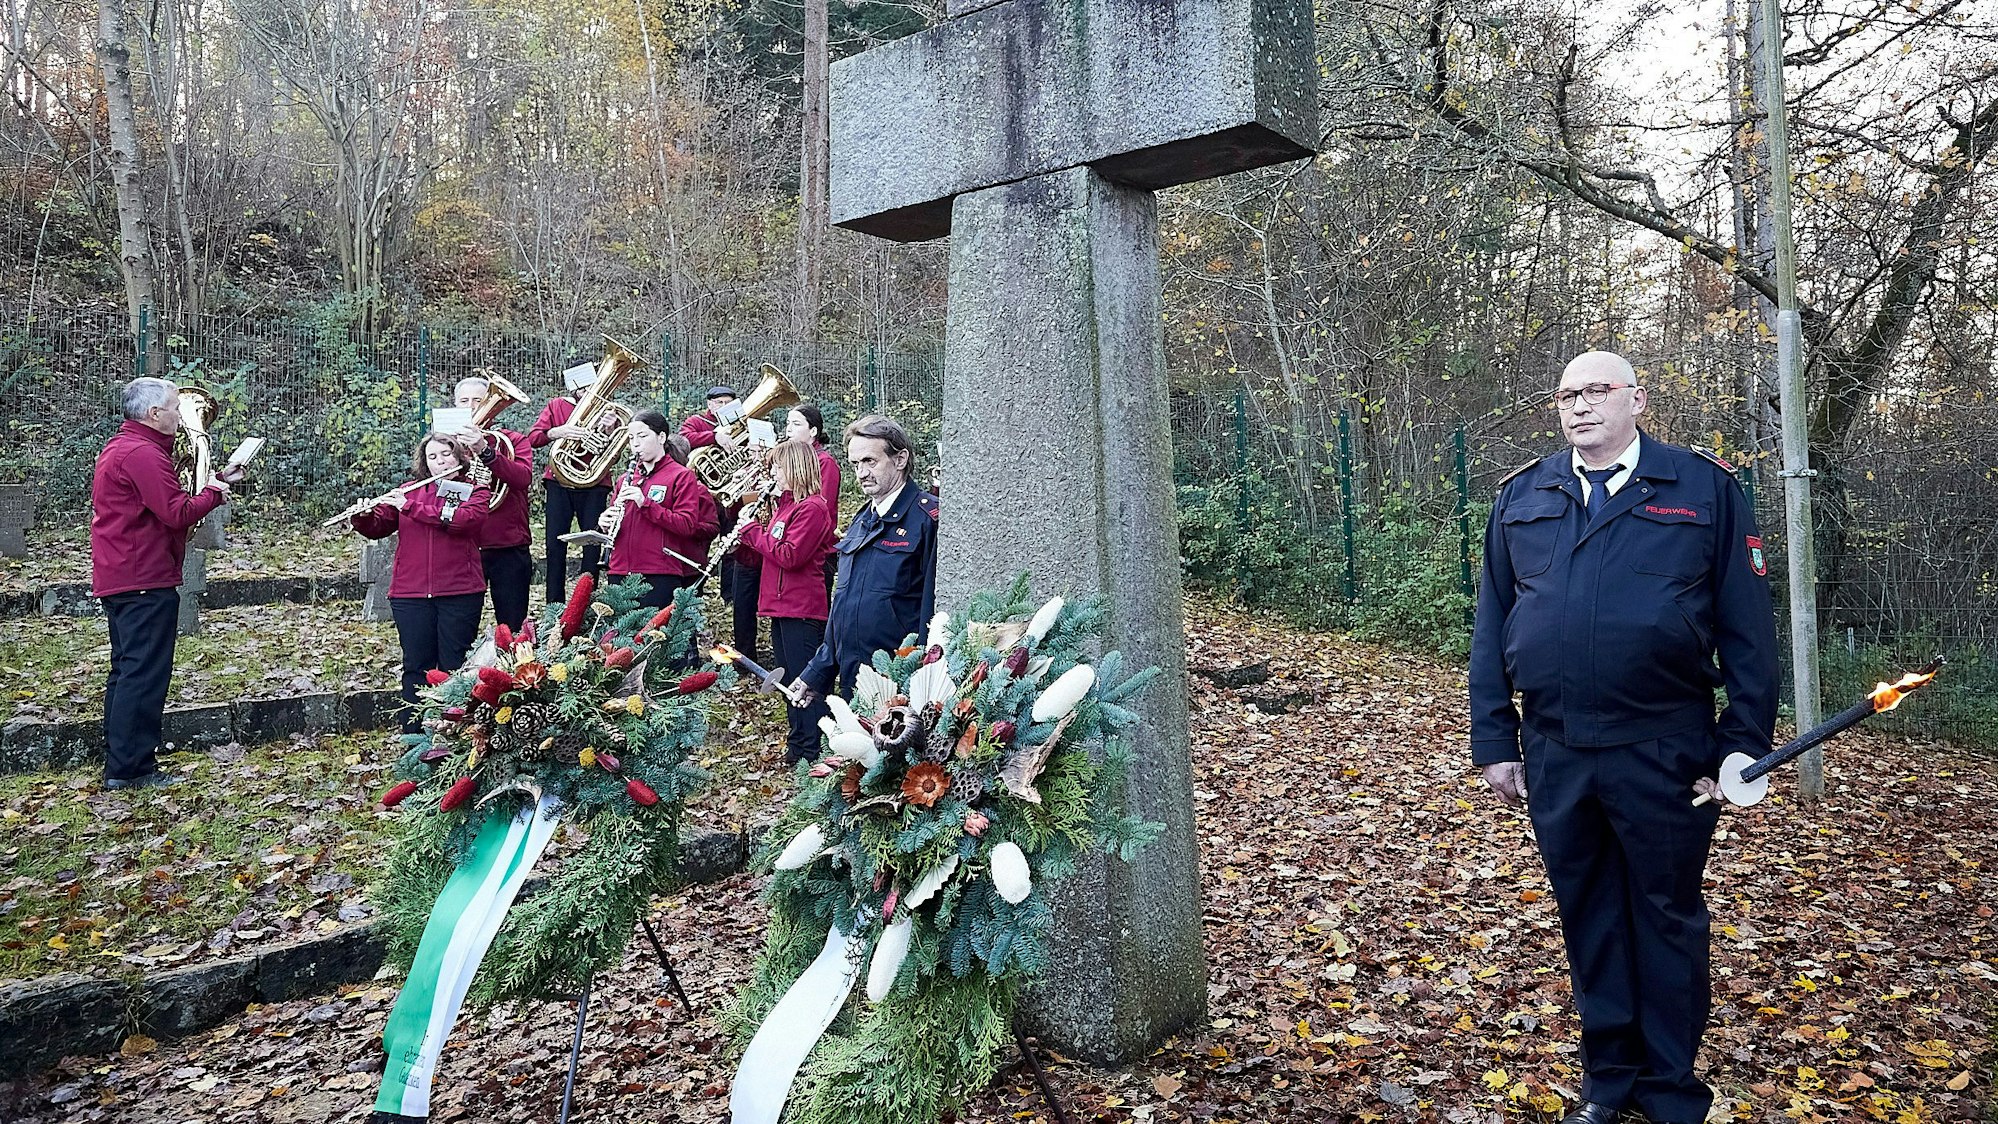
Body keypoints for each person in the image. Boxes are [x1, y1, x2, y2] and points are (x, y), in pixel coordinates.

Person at [1469, 351, 1779, 1124]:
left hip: (1664, 748)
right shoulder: (1522, 496)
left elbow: (1748, 632)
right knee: (1589, 913)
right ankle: (1609, 1078)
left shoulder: (1701, 488)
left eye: (1597, 391)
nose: (1580, 406)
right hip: (1557, 748)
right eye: (1567, 394)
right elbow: (1491, 625)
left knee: (1665, 913)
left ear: (1637, 399)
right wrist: (1494, 739)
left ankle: (1670, 1087)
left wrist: (1740, 742)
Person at [90, 377, 242, 790]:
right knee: (144, 674)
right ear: (154, 414)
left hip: (127, 574)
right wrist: (213, 493)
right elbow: (176, 513)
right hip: (143, 575)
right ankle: (132, 768)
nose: (180, 414)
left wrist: (218, 479)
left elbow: (164, 503)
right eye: (175, 407)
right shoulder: (142, 454)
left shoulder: (126, 448)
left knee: (128, 671)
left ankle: (123, 762)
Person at [350, 435, 491, 732]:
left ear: (459, 458)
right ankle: (413, 737)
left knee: (455, 666)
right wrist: (363, 517)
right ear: (424, 462)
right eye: (432, 457)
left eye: (445, 455)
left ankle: (457, 734)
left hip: (460, 591)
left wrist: (410, 507)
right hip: (410, 593)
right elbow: (378, 526)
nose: (439, 461)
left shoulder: (474, 491)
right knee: (416, 666)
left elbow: (463, 520)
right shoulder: (407, 491)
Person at [794, 415, 938, 701]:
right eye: (855, 464)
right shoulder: (863, 519)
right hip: (854, 679)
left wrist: (924, 677)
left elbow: (933, 611)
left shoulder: (928, 519)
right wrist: (819, 671)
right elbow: (844, 603)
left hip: (902, 683)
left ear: (900, 459)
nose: (861, 473)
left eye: (870, 461)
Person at [737, 439, 839, 762]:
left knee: (805, 682)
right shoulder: (784, 506)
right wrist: (742, 541)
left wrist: (753, 533)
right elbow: (769, 551)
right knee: (788, 682)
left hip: (802, 608)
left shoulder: (813, 508)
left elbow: (790, 555)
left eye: (779, 467)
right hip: (779, 606)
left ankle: (815, 750)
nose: (774, 473)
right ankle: (797, 746)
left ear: (795, 468)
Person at [604, 410, 720, 609]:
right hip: (619, 570)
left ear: (661, 437)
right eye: (631, 438)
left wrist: (646, 504)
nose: (636, 444)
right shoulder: (626, 479)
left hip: (658, 572)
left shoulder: (681, 476)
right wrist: (605, 524)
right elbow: (620, 525)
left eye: (642, 436)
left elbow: (686, 525)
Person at [527, 356, 615, 606]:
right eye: (579, 384)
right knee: (555, 546)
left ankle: (589, 603)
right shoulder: (556, 406)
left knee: (592, 545)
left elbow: (615, 452)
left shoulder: (607, 411)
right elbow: (534, 438)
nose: (585, 390)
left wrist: (608, 431)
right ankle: (554, 607)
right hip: (559, 482)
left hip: (594, 483)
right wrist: (559, 431)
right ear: (570, 385)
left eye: (589, 384)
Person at [451, 376, 533, 631]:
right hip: (462, 544)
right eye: (464, 401)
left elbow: (522, 478)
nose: (472, 406)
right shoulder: (443, 444)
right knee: (459, 626)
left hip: (507, 543)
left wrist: (486, 452)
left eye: (478, 400)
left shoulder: (512, 440)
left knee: (512, 627)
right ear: (454, 406)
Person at [782, 404, 843, 598]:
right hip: (795, 547)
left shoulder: (825, 462)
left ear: (813, 431)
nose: (788, 429)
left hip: (818, 552)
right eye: (787, 423)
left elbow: (820, 507)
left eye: (796, 424)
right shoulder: (791, 460)